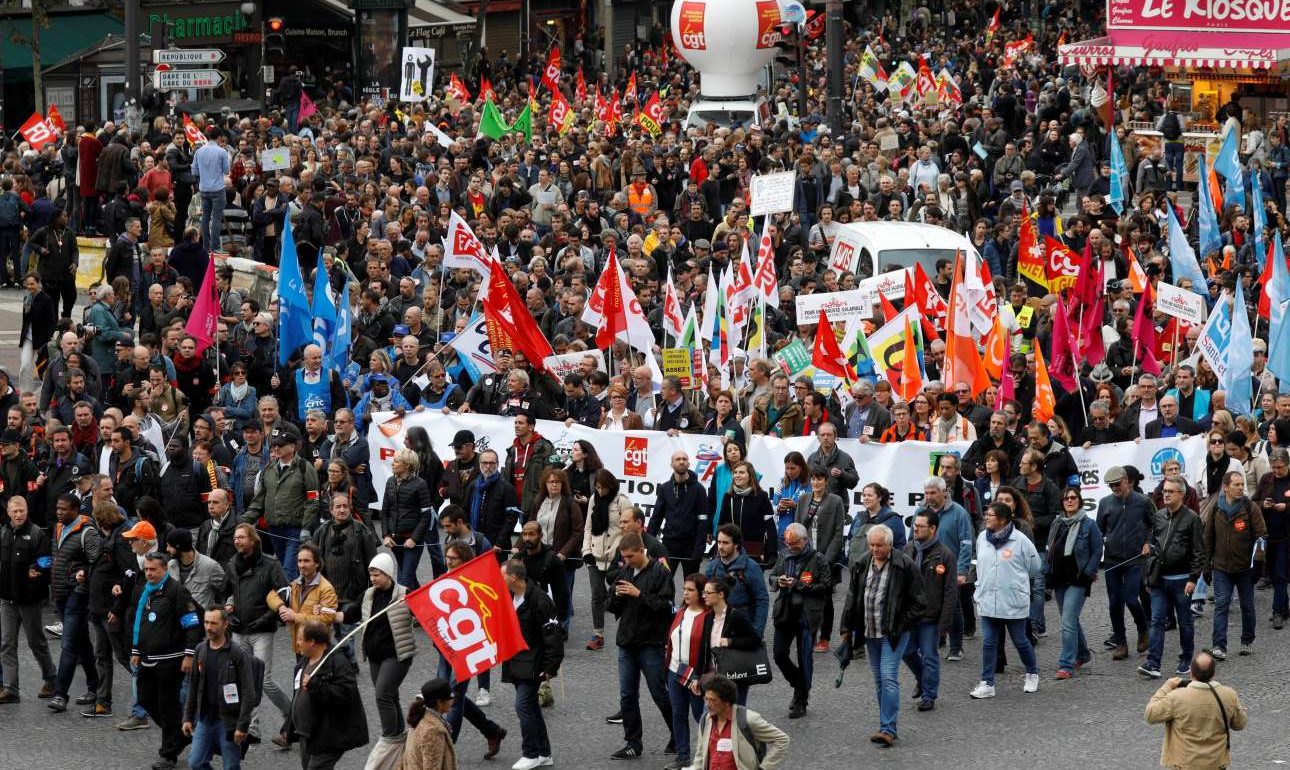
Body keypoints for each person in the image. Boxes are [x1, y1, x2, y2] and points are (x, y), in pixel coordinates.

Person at [839, 524, 927, 747]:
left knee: (888, 677)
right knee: (880, 680)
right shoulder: (861, 563)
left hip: (893, 633)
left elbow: (919, 602)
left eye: (879, 545)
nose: (875, 549)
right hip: (869, 632)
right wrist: (846, 627)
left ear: (889, 543)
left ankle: (887, 728)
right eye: (872, 545)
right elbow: (852, 597)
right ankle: (886, 725)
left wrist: (902, 623)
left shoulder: (904, 565)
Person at [127, 551, 202, 770]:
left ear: (165, 569)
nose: (149, 573)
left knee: (167, 706)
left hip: (171, 659)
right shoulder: (144, 591)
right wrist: (135, 650)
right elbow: (137, 621)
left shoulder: (177, 592)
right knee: (145, 698)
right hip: (147, 658)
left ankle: (168, 754)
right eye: (147, 569)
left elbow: (192, 624)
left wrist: (189, 654)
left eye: (154, 570)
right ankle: (180, 734)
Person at [606, 531, 676, 760]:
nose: (627, 561)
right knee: (627, 696)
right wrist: (617, 596)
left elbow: (666, 607)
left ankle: (678, 735)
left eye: (630, 556)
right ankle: (633, 743)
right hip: (627, 642)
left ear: (641, 551)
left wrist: (638, 594)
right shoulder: (625, 571)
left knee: (659, 693)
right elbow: (610, 605)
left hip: (651, 643)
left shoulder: (659, 571)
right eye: (624, 557)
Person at [222, 523, 291, 741]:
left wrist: (267, 619)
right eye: (235, 537)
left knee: (264, 681)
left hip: (262, 630)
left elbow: (285, 594)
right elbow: (224, 593)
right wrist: (227, 612)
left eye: (242, 537)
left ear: (253, 540)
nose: (237, 541)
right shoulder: (232, 564)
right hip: (239, 630)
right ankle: (251, 727)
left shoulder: (270, 564)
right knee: (244, 679)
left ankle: (291, 716)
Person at [970, 502, 1042, 700]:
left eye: (990, 515)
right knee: (989, 643)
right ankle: (987, 683)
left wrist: (1015, 583)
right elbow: (979, 564)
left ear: (1002, 520)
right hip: (987, 600)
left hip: (1012, 600)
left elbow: (1035, 566)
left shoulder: (1020, 540)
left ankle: (1032, 673)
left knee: (1020, 641)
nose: (986, 517)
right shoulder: (982, 539)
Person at [1139, 477, 1207, 680]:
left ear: (1181, 494)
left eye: (1170, 491)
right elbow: (1154, 545)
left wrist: (1193, 578)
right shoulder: (1159, 516)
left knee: (1185, 622)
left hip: (1182, 579)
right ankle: (1153, 663)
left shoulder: (1192, 518)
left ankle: (1186, 659)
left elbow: (1199, 551)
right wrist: (1149, 576)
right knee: (1157, 619)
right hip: (1160, 579)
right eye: (1164, 491)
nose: (1165, 494)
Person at [502, 559, 564, 770]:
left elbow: (553, 636)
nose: (499, 580)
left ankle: (531, 753)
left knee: (523, 705)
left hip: (533, 663)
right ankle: (544, 753)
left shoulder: (540, 600)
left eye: (503, 576)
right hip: (517, 661)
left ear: (514, 577)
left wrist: (550, 668)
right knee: (531, 707)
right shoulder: (509, 596)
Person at [285, 619, 369, 769]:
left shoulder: (337, 662)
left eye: (300, 639)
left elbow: (344, 696)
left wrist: (316, 686)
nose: (297, 643)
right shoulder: (304, 661)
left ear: (312, 642)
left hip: (327, 735)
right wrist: (288, 727)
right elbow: (297, 696)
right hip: (307, 734)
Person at [1201, 471, 1267, 660]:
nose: (1240, 488)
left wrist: (1259, 564)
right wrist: (1206, 565)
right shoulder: (1216, 508)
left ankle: (1247, 640)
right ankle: (1219, 645)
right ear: (1226, 487)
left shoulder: (1250, 506)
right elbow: (1208, 539)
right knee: (1221, 604)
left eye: (1241, 484)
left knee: (1247, 606)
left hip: (1245, 567)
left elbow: (1262, 535)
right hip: (1221, 567)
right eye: (1236, 485)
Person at [768, 522, 831, 719]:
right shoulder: (785, 554)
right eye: (788, 543)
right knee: (779, 654)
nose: (791, 547)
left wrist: (799, 585)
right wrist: (778, 581)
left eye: (794, 543)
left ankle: (801, 698)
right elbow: (772, 576)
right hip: (785, 612)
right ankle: (799, 684)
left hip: (807, 616)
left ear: (805, 540)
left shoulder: (818, 559)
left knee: (805, 659)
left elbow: (826, 587)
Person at [1144, 651, 1247, 770]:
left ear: (1191, 673)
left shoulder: (1177, 697)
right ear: (1213, 673)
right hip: (1216, 763)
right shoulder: (1229, 694)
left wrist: (1167, 686)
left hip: (1185, 764)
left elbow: (1150, 714)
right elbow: (1240, 724)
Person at [182, 608, 256, 770]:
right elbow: (193, 685)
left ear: (225, 624)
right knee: (196, 763)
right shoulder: (200, 650)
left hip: (228, 722)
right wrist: (187, 717)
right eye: (206, 622)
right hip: (205, 720)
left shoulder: (237, 653)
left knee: (231, 766)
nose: (208, 627)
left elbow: (248, 692)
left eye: (214, 623)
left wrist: (242, 725)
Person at [1096, 465, 1156, 661]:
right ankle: (1121, 642)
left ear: (1127, 481)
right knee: (1114, 603)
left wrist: (1148, 542)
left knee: (1131, 598)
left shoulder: (1143, 501)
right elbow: (1099, 531)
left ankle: (1143, 629)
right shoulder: (1105, 503)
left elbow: (1154, 525)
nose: (1115, 488)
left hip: (1135, 558)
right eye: (1111, 486)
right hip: (1112, 559)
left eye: (1118, 484)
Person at [357, 553, 416, 747]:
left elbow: (423, 613)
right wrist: (333, 614)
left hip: (397, 655)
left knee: (382, 695)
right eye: (371, 574)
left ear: (389, 574)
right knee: (391, 695)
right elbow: (352, 612)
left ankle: (389, 738)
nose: (373, 579)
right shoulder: (368, 594)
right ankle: (400, 735)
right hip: (375, 656)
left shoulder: (405, 594)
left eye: (377, 574)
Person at [0, 496, 55, 702]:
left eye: (21, 510)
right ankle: (10, 688)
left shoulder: (37, 534)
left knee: (36, 642)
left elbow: (45, 563)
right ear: (8, 512)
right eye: (14, 511)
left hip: (29, 599)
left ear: (27, 510)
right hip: (7, 599)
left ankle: (51, 677)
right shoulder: (4, 533)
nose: (18, 514)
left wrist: (36, 569)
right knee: (7, 644)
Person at [1045, 486, 1104, 679]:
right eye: (1066, 499)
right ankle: (1083, 654)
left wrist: (1089, 572)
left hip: (1078, 580)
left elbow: (1097, 550)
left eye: (1073, 498)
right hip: (1059, 578)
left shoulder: (1089, 525)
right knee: (1070, 619)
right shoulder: (1057, 523)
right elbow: (1050, 549)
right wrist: (1047, 572)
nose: (1069, 501)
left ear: (1079, 501)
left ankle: (1066, 665)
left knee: (1067, 621)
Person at [901, 509, 957, 712]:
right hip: (909, 614)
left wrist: (944, 623)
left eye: (920, 526)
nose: (915, 529)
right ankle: (922, 678)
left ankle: (929, 695)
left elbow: (950, 592)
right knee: (906, 651)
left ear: (932, 529)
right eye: (914, 526)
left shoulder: (945, 555)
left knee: (929, 655)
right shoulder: (908, 550)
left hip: (930, 617)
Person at [916, 476, 974, 661]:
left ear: (944, 492)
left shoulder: (959, 513)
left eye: (933, 493)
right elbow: (913, 539)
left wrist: (962, 570)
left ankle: (956, 647)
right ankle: (933, 640)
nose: (929, 496)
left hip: (951, 568)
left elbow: (966, 543)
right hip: (925, 569)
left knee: (954, 607)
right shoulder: (920, 510)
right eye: (926, 493)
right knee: (926, 605)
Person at [691, 675, 791, 770]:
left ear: (727, 702)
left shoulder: (748, 719)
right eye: (706, 699)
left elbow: (782, 739)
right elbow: (700, 753)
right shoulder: (706, 720)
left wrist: (764, 767)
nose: (708, 705)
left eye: (713, 700)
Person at [795, 465, 845, 652]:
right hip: (806, 557)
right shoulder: (803, 499)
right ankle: (809, 634)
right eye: (813, 479)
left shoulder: (835, 501)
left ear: (826, 481)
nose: (816, 482)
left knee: (825, 598)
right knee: (805, 594)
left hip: (826, 559)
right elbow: (799, 528)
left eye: (820, 479)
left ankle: (824, 638)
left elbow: (838, 533)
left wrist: (825, 560)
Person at [664, 572, 711, 769]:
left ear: (701, 593)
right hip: (675, 672)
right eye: (684, 589)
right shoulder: (679, 613)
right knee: (678, 714)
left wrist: (700, 676)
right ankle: (683, 755)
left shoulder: (708, 617)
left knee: (701, 716)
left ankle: (705, 756)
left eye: (690, 590)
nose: (686, 593)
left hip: (696, 675)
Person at [581, 468, 631, 651]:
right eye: (597, 488)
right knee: (596, 595)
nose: (600, 492)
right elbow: (588, 527)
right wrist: (586, 551)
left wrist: (622, 551)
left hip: (615, 556)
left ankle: (626, 632)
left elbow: (629, 529)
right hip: (595, 553)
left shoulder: (623, 501)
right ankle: (598, 634)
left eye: (603, 488)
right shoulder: (594, 499)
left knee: (619, 594)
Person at [648, 450, 709, 579]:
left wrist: (699, 549)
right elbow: (656, 518)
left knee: (692, 585)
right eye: (678, 459)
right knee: (663, 581)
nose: (681, 461)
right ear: (671, 464)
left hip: (691, 546)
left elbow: (703, 521)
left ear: (689, 464)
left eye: (684, 459)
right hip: (669, 545)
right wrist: (648, 544)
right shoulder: (665, 488)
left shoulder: (699, 489)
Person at [703, 524, 770, 637]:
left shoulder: (751, 567)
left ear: (736, 544)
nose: (720, 547)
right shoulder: (712, 567)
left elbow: (762, 600)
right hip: (717, 625)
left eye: (725, 543)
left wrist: (757, 631)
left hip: (742, 627)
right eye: (719, 542)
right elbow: (704, 596)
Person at [381, 448, 435, 589]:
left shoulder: (420, 484)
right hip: (395, 539)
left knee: (404, 578)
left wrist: (414, 539)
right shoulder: (390, 482)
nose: (393, 463)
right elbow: (385, 511)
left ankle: (405, 607)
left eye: (397, 461)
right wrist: (386, 535)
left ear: (407, 465)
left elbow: (426, 515)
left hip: (412, 540)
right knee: (407, 576)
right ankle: (421, 604)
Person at [401, 678, 457, 770]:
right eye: (450, 698)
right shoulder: (433, 731)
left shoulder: (420, 716)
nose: (453, 701)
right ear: (439, 702)